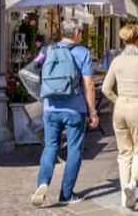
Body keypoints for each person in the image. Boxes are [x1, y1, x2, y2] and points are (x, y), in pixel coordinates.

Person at [29, 19, 98, 208]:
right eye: (81, 32)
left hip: (50, 108)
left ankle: (42, 183)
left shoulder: (47, 50)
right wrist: (93, 111)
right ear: (76, 34)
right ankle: (66, 194)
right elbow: (89, 84)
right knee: (74, 150)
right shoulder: (82, 52)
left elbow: (33, 69)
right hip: (74, 110)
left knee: (50, 146)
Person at [101, 24, 138, 211]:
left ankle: (122, 194)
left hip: (120, 108)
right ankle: (133, 184)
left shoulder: (116, 61)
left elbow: (105, 88)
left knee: (124, 153)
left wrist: (117, 99)